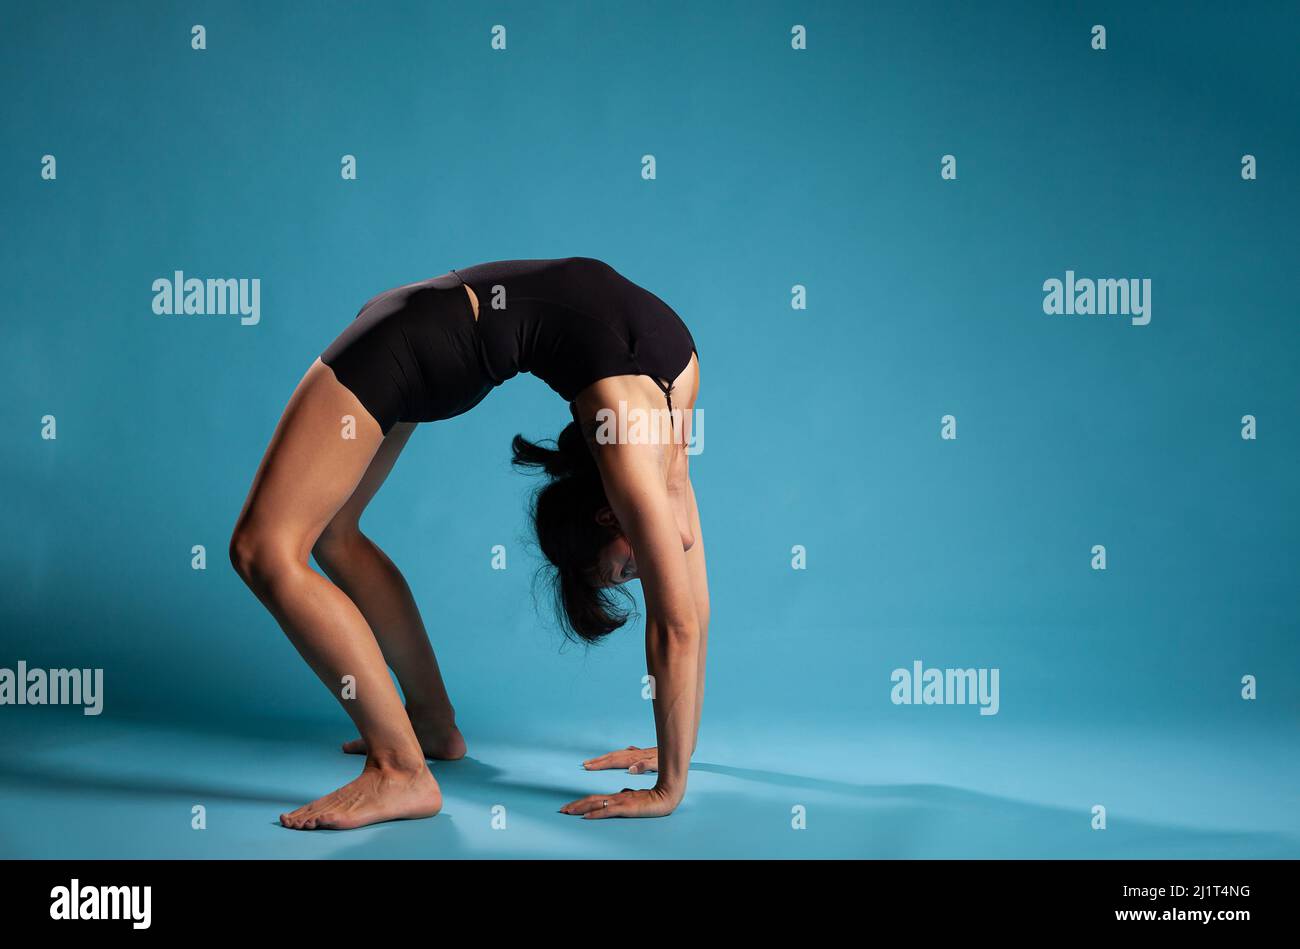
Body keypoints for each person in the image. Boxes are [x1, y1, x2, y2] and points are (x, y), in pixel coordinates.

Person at [228, 257, 708, 829]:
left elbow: (689, 611)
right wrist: (667, 789)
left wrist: (675, 755)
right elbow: (674, 626)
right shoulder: (641, 432)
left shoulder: (663, 418)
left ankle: (415, 749)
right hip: (407, 338)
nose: (646, 568)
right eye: (627, 571)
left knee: (308, 539)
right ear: (609, 514)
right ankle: (413, 749)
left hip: (438, 330)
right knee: (274, 547)